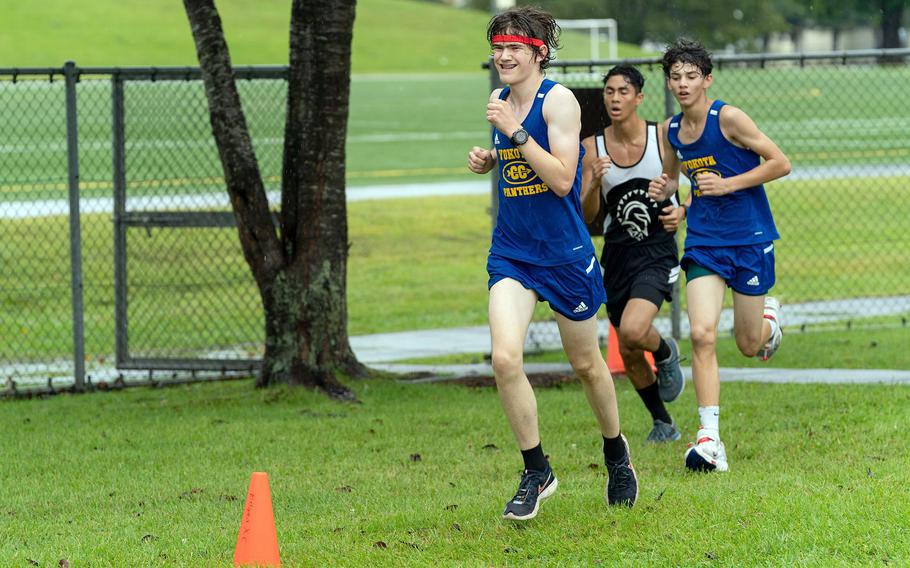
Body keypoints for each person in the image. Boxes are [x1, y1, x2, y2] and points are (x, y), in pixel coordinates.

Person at [467, 6, 637, 520]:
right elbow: (518, 155)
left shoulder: (558, 101)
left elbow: (564, 178)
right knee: (504, 359)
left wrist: (516, 134)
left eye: (513, 48)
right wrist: (491, 156)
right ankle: (536, 469)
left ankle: (616, 452)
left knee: (587, 366)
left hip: (564, 255)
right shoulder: (499, 99)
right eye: (498, 49)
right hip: (513, 252)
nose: (502, 57)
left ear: (537, 53)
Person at [649, 39, 791, 473]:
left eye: (692, 76)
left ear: (707, 80)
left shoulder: (727, 118)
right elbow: (674, 178)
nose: (683, 83)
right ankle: (709, 439)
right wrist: (668, 195)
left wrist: (728, 184)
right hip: (705, 242)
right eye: (676, 76)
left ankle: (768, 321)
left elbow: (780, 163)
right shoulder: (670, 130)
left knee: (748, 345)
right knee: (703, 334)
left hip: (749, 238)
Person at [580, 65, 687, 445]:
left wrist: (682, 209)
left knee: (634, 330)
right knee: (626, 346)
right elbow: (588, 213)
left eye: (623, 91)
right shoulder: (593, 146)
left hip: (656, 250)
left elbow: (701, 178)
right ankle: (663, 422)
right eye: (609, 92)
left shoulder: (663, 137)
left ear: (639, 97)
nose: (614, 99)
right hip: (617, 253)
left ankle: (665, 350)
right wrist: (592, 180)